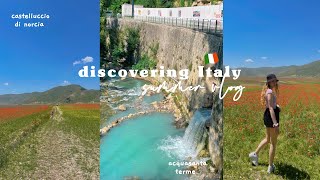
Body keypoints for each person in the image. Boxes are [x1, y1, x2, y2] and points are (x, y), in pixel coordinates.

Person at [249, 74, 281, 174]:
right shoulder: (270, 92)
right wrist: (275, 124)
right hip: (272, 117)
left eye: (275, 81)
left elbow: (270, 105)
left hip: (268, 115)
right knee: (273, 143)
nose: (275, 83)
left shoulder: (268, 91)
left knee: (267, 139)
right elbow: (271, 108)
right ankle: (270, 166)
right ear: (269, 83)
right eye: (273, 81)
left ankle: (254, 154)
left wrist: (277, 106)